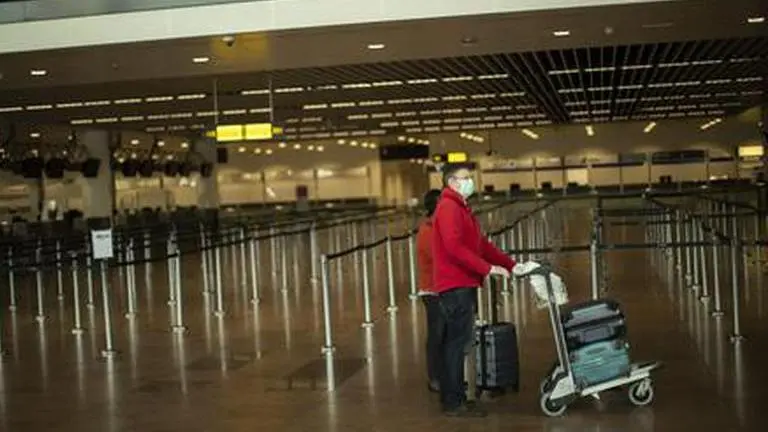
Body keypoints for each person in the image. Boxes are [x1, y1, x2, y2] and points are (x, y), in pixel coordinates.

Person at [431, 163, 516, 418]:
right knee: (456, 344)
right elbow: (454, 247)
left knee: (456, 343)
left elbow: (480, 245)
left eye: (470, 177)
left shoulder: (461, 208)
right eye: (466, 178)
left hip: (463, 283)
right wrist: (487, 269)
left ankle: (454, 398)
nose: (470, 182)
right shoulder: (448, 208)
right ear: (451, 182)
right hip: (455, 285)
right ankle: (454, 401)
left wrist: (511, 265)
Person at [415, 188, 444, 393]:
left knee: (446, 334)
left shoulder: (439, 227)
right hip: (433, 291)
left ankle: (445, 374)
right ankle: (435, 377)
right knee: (437, 334)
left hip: (445, 288)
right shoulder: (427, 230)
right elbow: (441, 259)